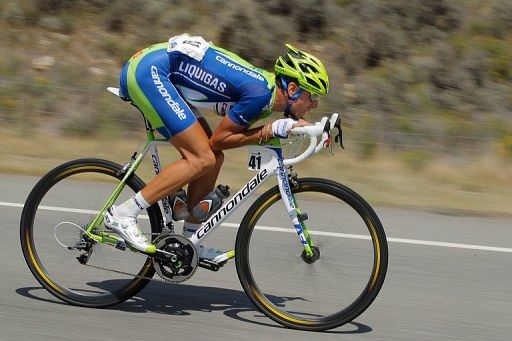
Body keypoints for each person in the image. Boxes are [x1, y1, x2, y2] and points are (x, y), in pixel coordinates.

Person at [104, 33, 329, 264]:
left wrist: (305, 128)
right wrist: (269, 131)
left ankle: (191, 240)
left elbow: (227, 140)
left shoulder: (265, 96)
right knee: (201, 158)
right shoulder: (260, 95)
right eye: (312, 96)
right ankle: (124, 213)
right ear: (292, 89)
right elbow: (221, 139)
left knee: (213, 159)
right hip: (149, 72)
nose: (315, 104)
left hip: (163, 71)